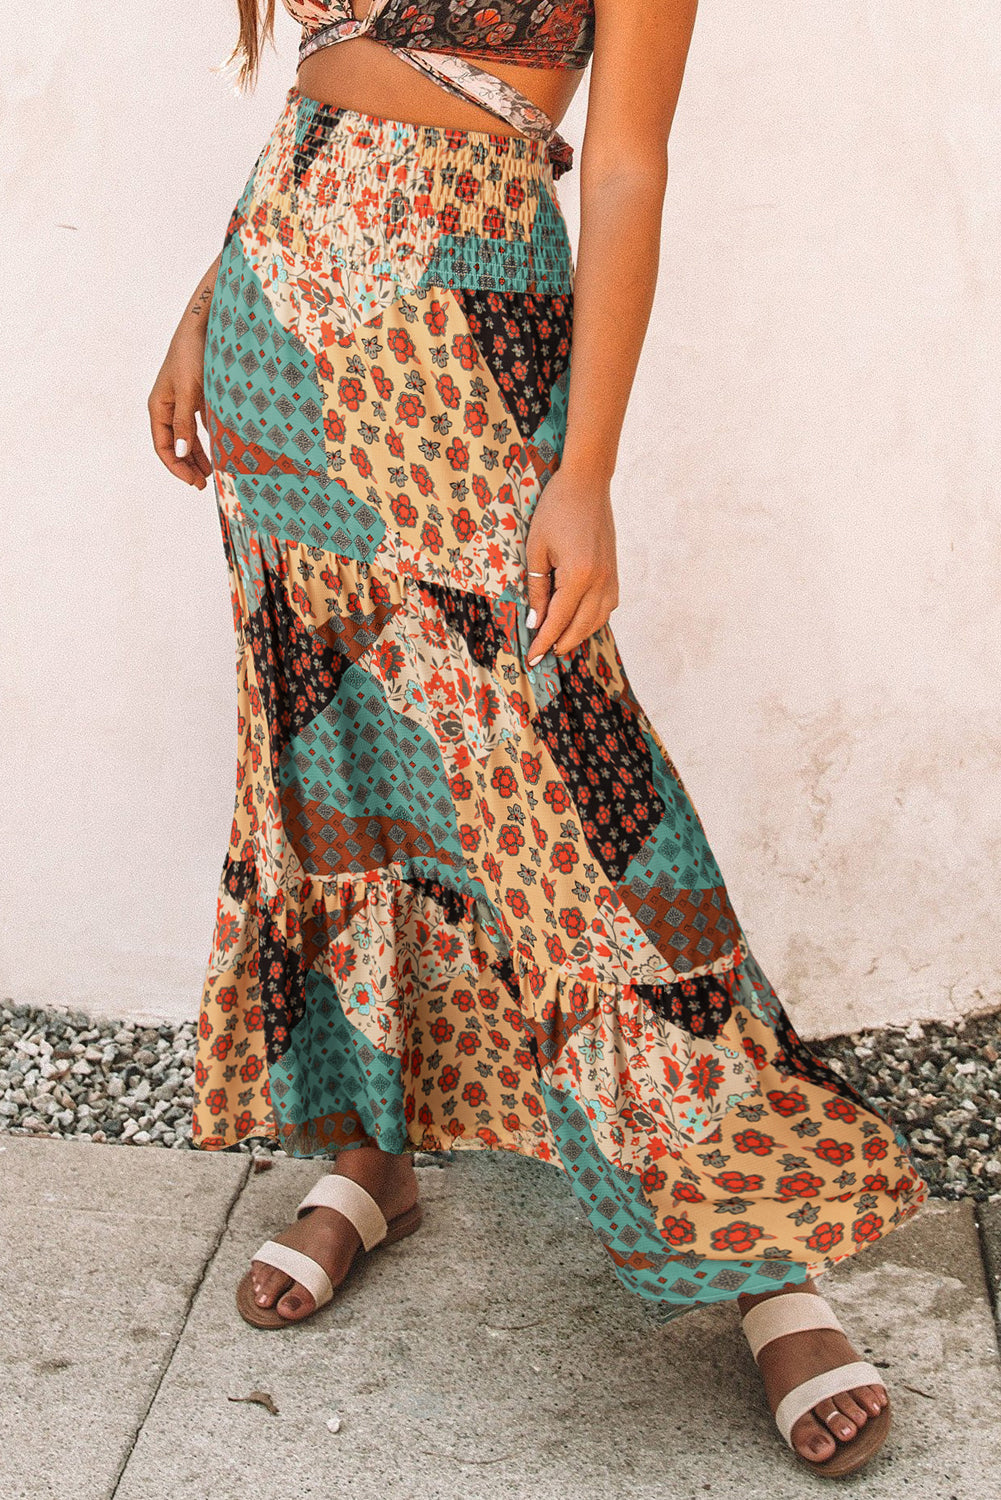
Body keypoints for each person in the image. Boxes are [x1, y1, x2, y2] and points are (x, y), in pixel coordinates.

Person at [148, 0, 928, 1477]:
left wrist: (585, 471)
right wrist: (204, 303)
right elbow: (323, 93)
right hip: (273, 330)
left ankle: (766, 1253)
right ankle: (372, 1153)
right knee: (336, 758)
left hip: (465, 341)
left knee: (573, 801)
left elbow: (625, 165)